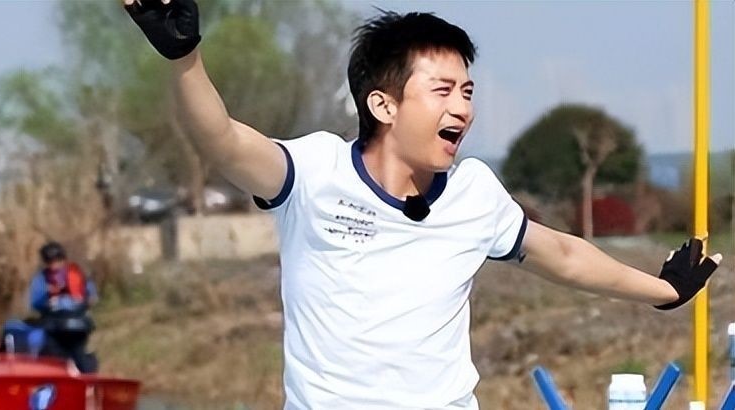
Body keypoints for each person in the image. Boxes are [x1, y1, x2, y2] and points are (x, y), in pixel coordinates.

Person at [124, 2, 722, 408]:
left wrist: (664, 291)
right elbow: (223, 140)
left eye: (467, 91)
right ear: (383, 106)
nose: (462, 108)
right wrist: (184, 58)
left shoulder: (473, 192)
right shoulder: (313, 172)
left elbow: (562, 254)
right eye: (442, 91)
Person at [28, 241, 98, 373]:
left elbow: (91, 296)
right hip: (53, 327)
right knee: (56, 356)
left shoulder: (76, 273)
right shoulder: (41, 279)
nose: (54, 265)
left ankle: (85, 375)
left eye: (57, 260)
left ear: (63, 259)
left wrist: (78, 303)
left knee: (78, 357)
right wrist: (49, 302)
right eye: (50, 261)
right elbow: (35, 302)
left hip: (76, 327)